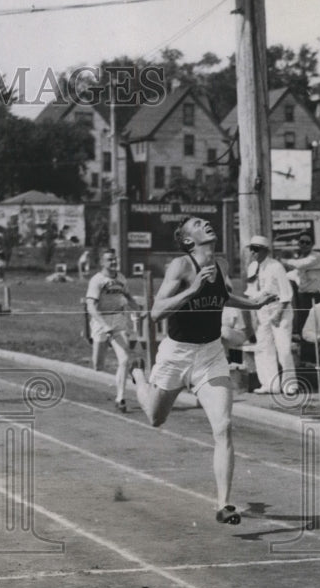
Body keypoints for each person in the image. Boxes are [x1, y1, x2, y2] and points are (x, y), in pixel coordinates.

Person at [129, 217, 277, 525]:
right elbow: (156, 313)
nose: (207, 223)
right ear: (187, 240)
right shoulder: (180, 267)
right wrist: (194, 289)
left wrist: (255, 303)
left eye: (207, 221)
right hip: (176, 354)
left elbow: (224, 299)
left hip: (210, 354)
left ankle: (224, 504)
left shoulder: (221, 264)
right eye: (198, 223)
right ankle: (139, 378)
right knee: (155, 418)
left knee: (223, 427)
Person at [86, 249, 145, 412]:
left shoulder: (121, 278)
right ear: (102, 263)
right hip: (101, 321)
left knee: (124, 359)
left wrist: (138, 309)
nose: (114, 262)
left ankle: (120, 398)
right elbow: (90, 307)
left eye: (115, 259)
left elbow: (128, 296)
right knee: (98, 365)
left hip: (118, 319)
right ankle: (94, 345)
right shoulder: (97, 280)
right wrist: (104, 325)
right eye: (110, 260)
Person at [246, 235, 295, 395]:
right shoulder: (252, 267)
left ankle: (290, 385)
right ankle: (269, 384)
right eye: (251, 249)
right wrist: (254, 315)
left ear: (266, 251)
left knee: (284, 349)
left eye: (257, 249)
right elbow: (251, 294)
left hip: (279, 308)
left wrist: (278, 313)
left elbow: (286, 293)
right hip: (261, 310)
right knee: (263, 348)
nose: (253, 252)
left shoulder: (276, 267)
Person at [279, 231, 320, 338]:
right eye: (302, 242)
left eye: (308, 242)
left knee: (319, 324)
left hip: (318, 295)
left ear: (312, 244)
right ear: (298, 243)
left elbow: (301, 265)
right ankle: (304, 347)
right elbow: (295, 274)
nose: (304, 245)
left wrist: (283, 261)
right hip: (304, 296)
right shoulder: (300, 257)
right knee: (304, 324)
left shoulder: (316, 256)